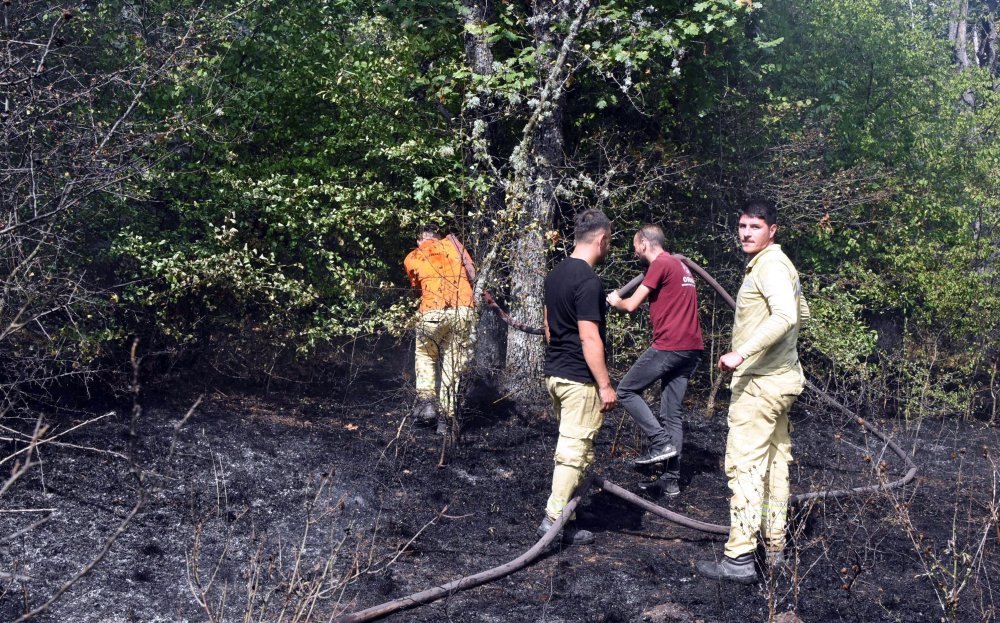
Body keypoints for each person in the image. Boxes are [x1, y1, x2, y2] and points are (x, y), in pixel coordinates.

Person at [696, 200, 810, 584]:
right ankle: (775, 547)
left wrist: (741, 351)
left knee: (744, 466)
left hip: (761, 383)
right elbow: (802, 315)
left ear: (772, 230)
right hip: (782, 380)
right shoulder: (779, 265)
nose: (745, 233)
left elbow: (787, 317)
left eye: (755, 227)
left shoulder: (771, 266)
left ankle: (740, 557)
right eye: (742, 226)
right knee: (775, 465)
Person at [537, 208, 617, 546]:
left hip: (555, 375)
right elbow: (589, 337)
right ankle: (553, 521)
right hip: (578, 379)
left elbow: (547, 328)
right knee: (573, 449)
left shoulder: (554, 275)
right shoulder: (588, 279)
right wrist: (605, 384)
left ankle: (570, 512)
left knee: (579, 448)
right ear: (601, 240)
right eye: (609, 242)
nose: (609, 247)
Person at [606, 225, 703, 497]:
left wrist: (616, 300)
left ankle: (660, 442)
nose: (634, 250)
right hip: (691, 349)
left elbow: (631, 305)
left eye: (635, 245)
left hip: (671, 345)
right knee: (672, 414)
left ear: (645, 244)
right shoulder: (680, 266)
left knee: (625, 390)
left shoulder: (660, 264)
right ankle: (671, 481)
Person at [403, 224, 477, 436]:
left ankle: (427, 402)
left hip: (432, 311)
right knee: (452, 365)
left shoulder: (413, 256)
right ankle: (445, 419)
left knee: (425, 354)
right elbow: (472, 271)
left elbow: (416, 285)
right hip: (463, 309)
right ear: (438, 236)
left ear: (420, 240)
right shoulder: (455, 245)